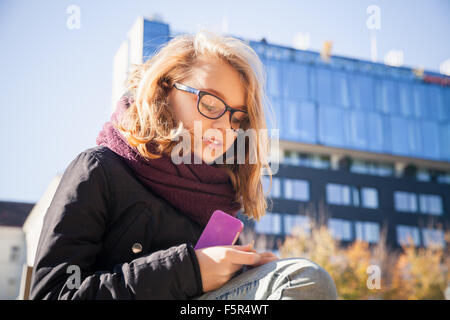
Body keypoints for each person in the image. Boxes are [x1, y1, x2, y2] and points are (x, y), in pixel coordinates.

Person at [29, 31, 338, 300]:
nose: (225, 128)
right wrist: (190, 270)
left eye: (237, 117)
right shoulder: (99, 170)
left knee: (295, 283)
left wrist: (251, 276)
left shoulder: (221, 204)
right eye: (211, 104)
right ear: (164, 90)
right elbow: (53, 293)